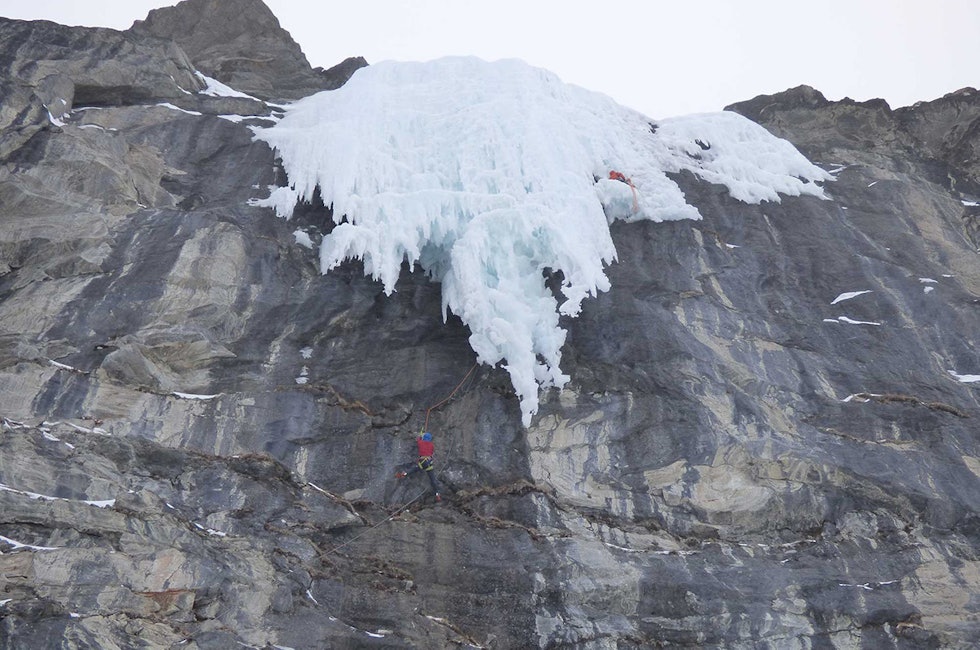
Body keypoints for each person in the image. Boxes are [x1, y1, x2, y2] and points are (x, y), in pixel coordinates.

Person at [395, 431, 442, 502]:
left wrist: (421, 435)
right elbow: (431, 453)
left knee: (414, 469)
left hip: (422, 461)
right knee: (432, 479)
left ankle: (404, 474)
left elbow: (418, 439)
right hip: (429, 463)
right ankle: (437, 494)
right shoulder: (431, 445)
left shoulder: (421, 443)